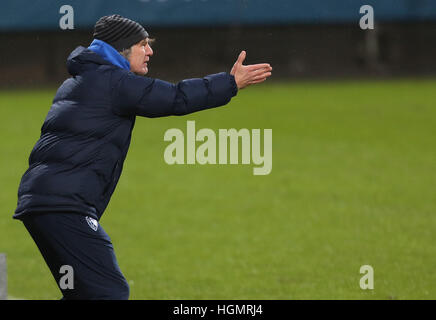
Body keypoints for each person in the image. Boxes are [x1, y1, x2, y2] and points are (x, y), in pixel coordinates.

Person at [13, 14, 272, 300]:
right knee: (109, 292)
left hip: (45, 202)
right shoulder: (114, 81)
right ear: (121, 48)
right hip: (63, 206)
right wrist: (230, 83)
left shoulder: (81, 79)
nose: (150, 51)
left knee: (85, 293)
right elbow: (175, 98)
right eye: (142, 44)